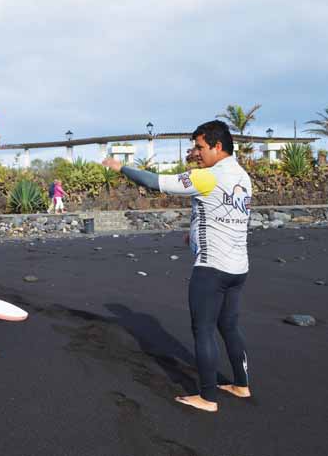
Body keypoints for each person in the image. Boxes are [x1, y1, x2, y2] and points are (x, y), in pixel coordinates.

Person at [103, 120, 252, 413]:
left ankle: (207, 398)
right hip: (238, 267)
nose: (196, 152)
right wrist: (193, 232)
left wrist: (120, 167)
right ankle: (241, 384)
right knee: (230, 327)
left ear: (217, 146)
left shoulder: (208, 176)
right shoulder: (242, 176)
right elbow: (228, 212)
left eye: (200, 147)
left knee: (204, 330)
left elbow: (156, 182)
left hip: (211, 269)